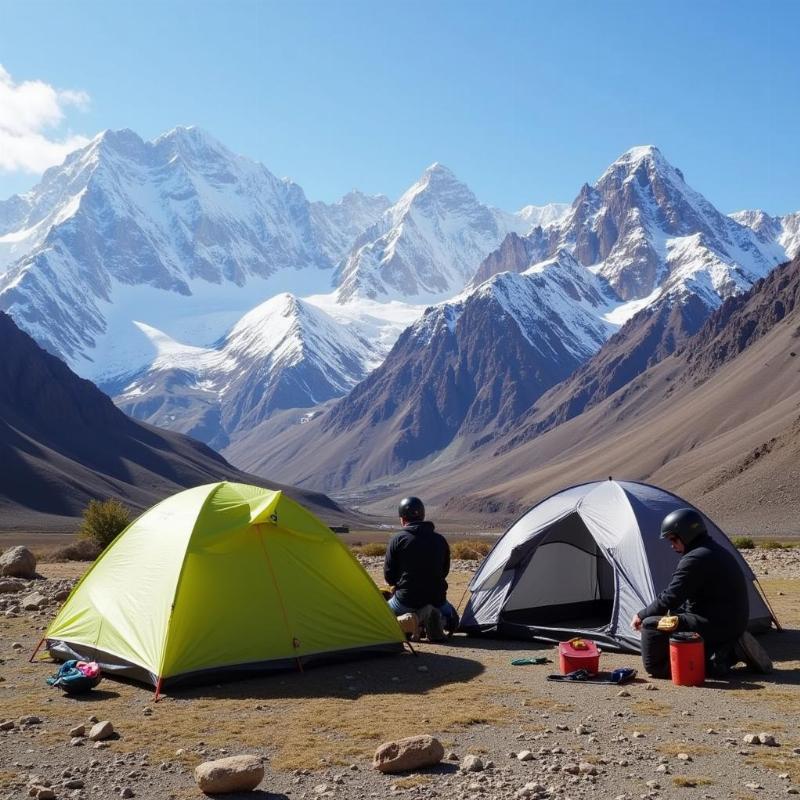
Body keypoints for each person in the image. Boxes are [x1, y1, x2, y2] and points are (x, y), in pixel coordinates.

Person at [630, 507, 767, 678]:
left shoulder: (695, 559)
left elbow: (671, 596)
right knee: (672, 615)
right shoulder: (712, 550)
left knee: (651, 626)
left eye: (673, 539)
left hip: (716, 624)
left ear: (686, 535)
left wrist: (641, 615)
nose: (671, 545)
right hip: (730, 623)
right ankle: (726, 647)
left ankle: (720, 660)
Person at [384, 496, 459, 638]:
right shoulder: (440, 540)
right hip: (437, 599)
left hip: (406, 600)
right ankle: (440, 620)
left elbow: (389, 575)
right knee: (453, 619)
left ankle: (412, 622)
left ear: (402, 518)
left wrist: (395, 585)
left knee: (380, 615)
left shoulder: (397, 539)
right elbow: (444, 571)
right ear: (423, 515)